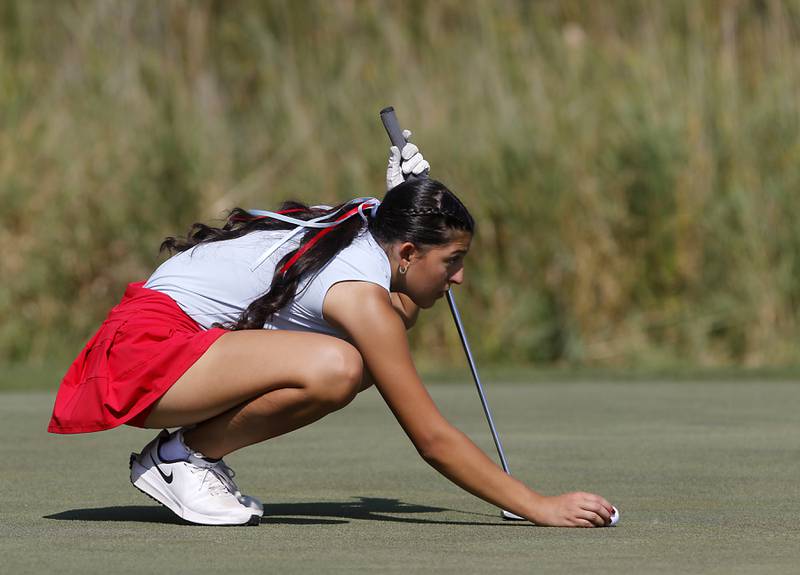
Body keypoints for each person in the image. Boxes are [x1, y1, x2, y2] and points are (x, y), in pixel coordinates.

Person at [48, 134, 616, 527]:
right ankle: (182, 458)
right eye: (453, 261)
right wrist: (537, 504)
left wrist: (400, 193)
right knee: (340, 365)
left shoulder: (373, 222)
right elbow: (431, 438)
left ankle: (184, 453)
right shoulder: (361, 297)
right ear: (410, 251)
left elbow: (400, 306)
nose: (461, 277)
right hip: (143, 353)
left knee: (363, 351)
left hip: (172, 342)